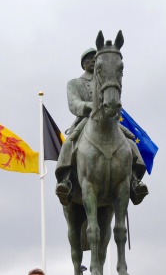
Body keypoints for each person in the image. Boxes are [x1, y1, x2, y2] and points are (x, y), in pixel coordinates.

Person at [53, 48, 148, 207]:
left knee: (130, 143)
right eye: (88, 59)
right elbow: (73, 103)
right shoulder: (74, 83)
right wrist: (90, 106)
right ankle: (66, 181)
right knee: (69, 144)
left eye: (94, 58)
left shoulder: (106, 80)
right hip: (84, 120)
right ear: (83, 64)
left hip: (109, 121)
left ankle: (134, 181)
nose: (92, 61)